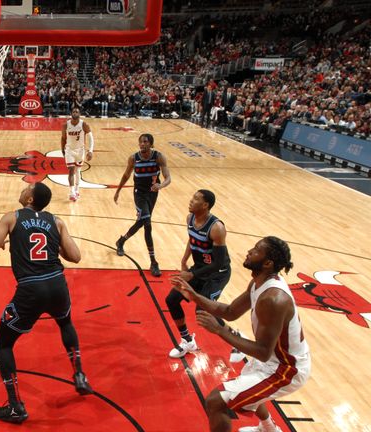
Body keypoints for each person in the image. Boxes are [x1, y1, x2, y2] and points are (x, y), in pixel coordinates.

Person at [170, 237, 310, 432]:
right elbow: (230, 312)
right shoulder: (259, 283)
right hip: (274, 359)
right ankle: (269, 428)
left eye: (256, 250)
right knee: (249, 383)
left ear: (268, 263)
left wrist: (219, 330)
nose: (250, 251)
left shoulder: (273, 299)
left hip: (287, 369)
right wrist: (193, 295)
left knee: (216, 402)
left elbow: (262, 351)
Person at [0, 182, 93, 424]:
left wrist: (2, 240)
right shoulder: (57, 221)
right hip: (57, 285)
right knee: (65, 323)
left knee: (2, 343)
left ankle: (15, 406)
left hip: (30, 290)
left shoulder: (11, 218)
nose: (22, 189)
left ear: (30, 199)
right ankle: (80, 375)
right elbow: (75, 256)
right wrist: (56, 246)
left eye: (26, 188)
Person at [165, 190, 244, 362]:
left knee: (203, 310)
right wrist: (184, 260)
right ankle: (187, 341)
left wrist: (191, 275)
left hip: (218, 274)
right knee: (171, 300)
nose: (191, 201)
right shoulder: (190, 218)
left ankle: (237, 338)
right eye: (192, 197)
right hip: (200, 269)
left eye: (196, 199)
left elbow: (217, 264)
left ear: (205, 205)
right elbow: (192, 239)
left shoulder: (216, 228)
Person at [113, 133, 171, 277]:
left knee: (142, 222)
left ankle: (121, 240)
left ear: (151, 144)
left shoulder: (159, 157)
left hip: (153, 193)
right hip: (139, 193)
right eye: (141, 142)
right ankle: (153, 262)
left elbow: (168, 177)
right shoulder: (133, 158)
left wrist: (161, 185)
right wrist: (118, 190)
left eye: (145, 142)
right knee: (147, 223)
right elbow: (126, 175)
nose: (142, 144)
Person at [61, 107, 93, 201]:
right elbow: (63, 138)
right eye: (73, 111)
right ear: (71, 113)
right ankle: (71, 192)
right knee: (71, 170)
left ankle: (77, 190)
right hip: (69, 150)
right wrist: (62, 149)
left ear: (79, 114)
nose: (75, 113)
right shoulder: (65, 125)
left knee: (78, 170)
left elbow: (91, 138)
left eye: (77, 112)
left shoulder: (84, 124)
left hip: (80, 150)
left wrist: (90, 151)